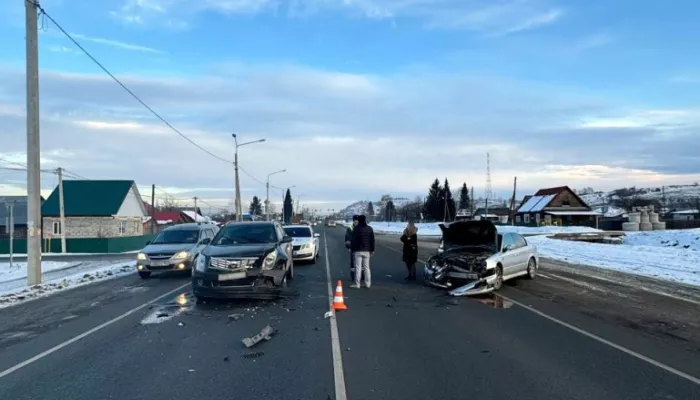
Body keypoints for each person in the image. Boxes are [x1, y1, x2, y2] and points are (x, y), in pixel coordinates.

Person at [350, 215, 374, 289]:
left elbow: (353, 241)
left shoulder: (356, 229)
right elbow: (372, 240)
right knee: (367, 267)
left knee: (358, 267)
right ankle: (368, 283)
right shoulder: (370, 229)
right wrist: (372, 250)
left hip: (358, 251)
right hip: (367, 251)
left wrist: (352, 250)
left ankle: (357, 283)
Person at [345, 215, 361, 282]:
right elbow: (347, 239)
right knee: (353, 264)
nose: (356, 222)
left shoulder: (362, 228)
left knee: (361, 264)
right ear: (353, 221)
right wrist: (349, 247)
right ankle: (353, 276)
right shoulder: (350, 228)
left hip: (361, 249)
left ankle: (361, 276)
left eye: (357, 221)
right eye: (355, 221)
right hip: (353, 249)